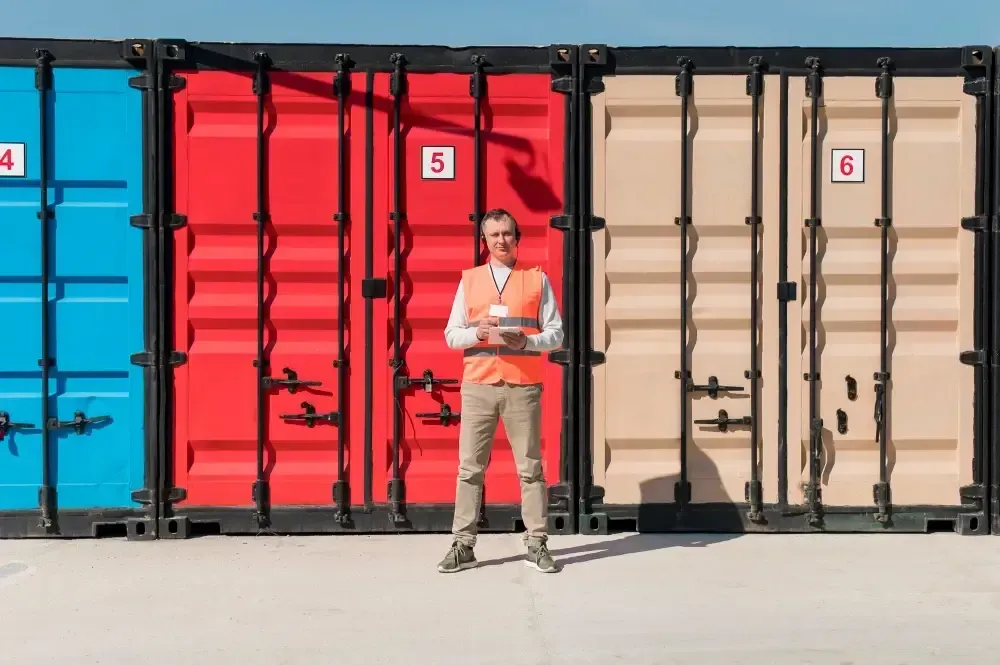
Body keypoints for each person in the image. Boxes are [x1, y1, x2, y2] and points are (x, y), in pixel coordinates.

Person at [437, 208, 564, 574]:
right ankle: (463, 544)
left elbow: (556, 333)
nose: (501, 240)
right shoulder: (470, 281)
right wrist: (477, 333)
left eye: (507, 233)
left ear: (517, 236)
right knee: (469, 469)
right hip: (479, 384)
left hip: (522, 386)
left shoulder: (536, 280)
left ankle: (536, 543)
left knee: (530, 469)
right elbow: (451, 335)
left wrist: (526, 342)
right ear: (485, 241)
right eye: (494, 235)